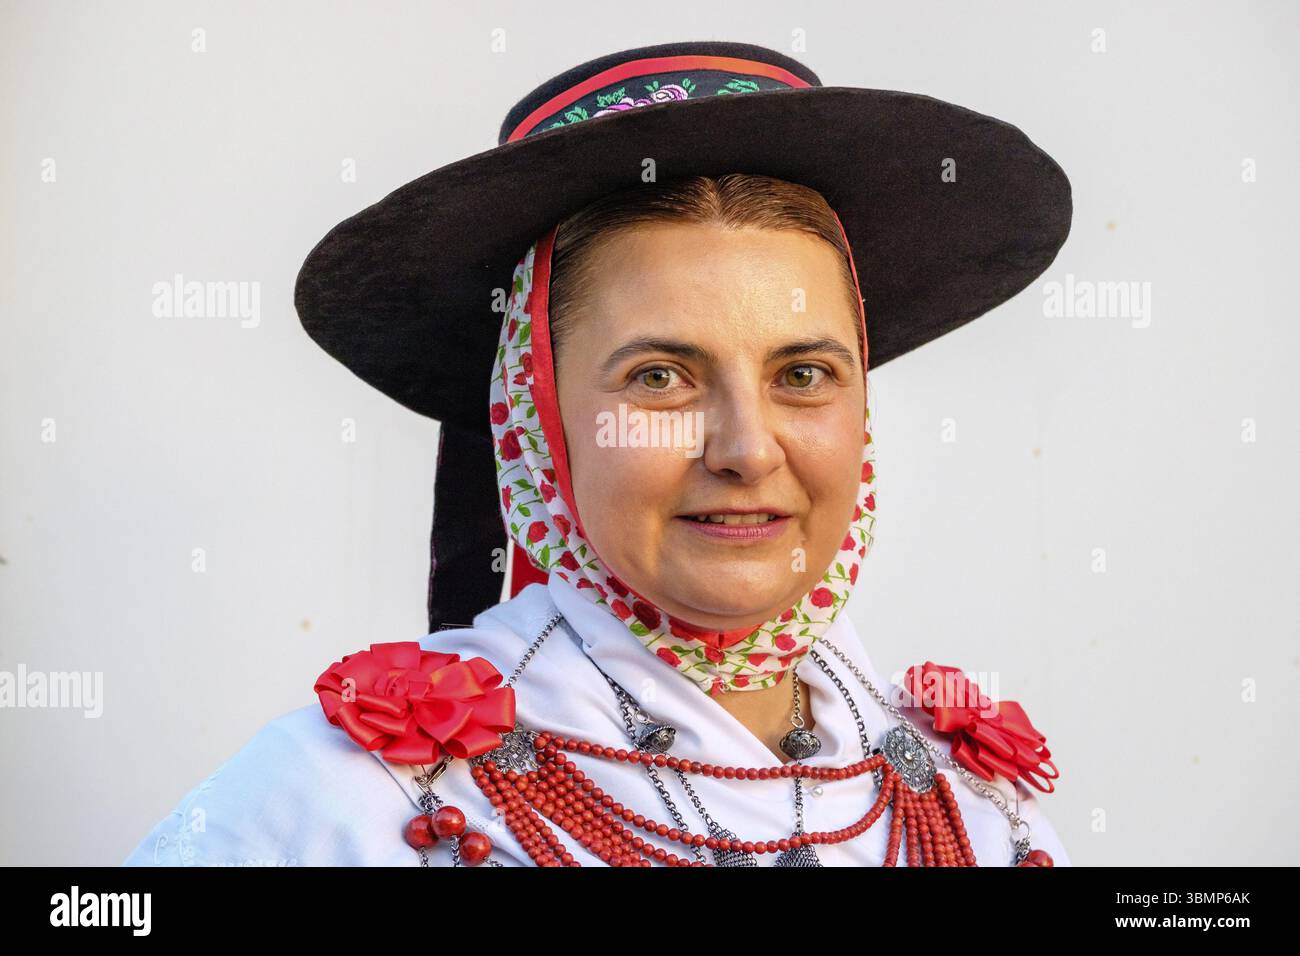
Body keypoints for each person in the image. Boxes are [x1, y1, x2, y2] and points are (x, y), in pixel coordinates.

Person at [124, 41, 1071, 867]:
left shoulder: (979, 810)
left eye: (805, 374)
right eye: (660, 378)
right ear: (535, 423)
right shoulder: (346, 805)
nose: (745, 448)